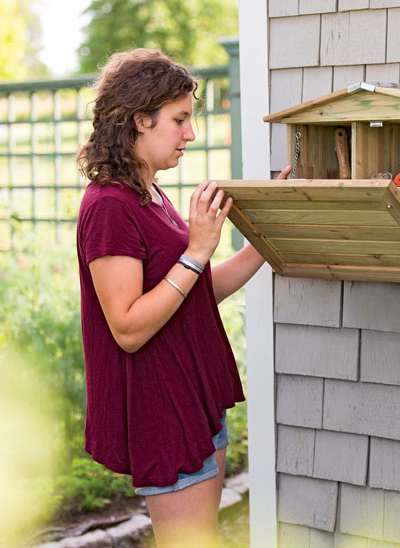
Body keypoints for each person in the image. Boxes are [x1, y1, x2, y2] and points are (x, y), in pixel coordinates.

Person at [76, 48, 290, 548]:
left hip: (190, 398)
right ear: (139, 121)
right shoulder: (109, 206)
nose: (190, 133)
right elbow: (127, 328)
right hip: (160, 408)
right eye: (179, 119)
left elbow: (191, 292)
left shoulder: (149, 194)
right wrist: (196, 249)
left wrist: (268, 234)